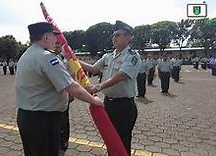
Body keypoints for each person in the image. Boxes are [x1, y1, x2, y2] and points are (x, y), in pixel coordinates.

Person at [15, 22, 103, 156]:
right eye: (53, 36)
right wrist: (94, 100)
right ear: (46, 37)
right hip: (43, 120)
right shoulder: (47, 57)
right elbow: (72, 87)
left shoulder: (26, 55)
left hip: (27, 117)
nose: (55, 40)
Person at [79, 20, 141, 155]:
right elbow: (94, 69)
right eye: (113, 35)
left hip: (124, 106)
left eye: (118, 35)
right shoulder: (108, 56)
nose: (114, 38)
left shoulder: (132, 56)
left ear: (128, 37)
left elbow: (121, 76)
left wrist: (98, 87)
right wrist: (75, 60)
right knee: (111, 139)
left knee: (122, 140)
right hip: (108, 103)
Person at [54, 41, 73, 154]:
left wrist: (71, 95)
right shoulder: (46, 58)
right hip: (51, 98)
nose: (56, 46)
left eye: (58, 44)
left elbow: (71, 78)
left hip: (63, 96)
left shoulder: (66, 61)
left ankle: (63, 143)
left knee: (63, 121)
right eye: (55, 44)